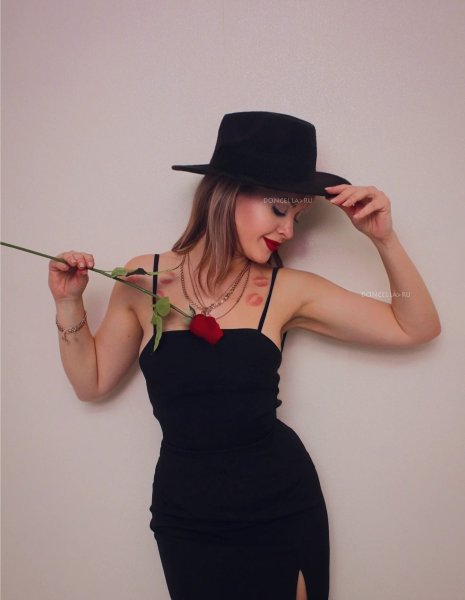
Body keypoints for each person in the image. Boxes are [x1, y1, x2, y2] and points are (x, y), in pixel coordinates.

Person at [48, 111, 441, 600]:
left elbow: (416, 326)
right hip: (185, 513)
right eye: (280, 210)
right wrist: (69, 303)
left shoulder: (287, 289)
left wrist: (383, 239)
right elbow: (91, 383)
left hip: (278, 505)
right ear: (228, 193)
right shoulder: (143, 279)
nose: (288, 231)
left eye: (298, 218)